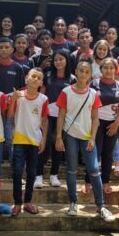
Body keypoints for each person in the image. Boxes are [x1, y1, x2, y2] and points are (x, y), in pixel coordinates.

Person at [55, 60, 115, 222]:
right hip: (71, 136)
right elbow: (61, 115)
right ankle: (73, 203)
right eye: (81, 71)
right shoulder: (66, 92)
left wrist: (93, 138)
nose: (83, 74)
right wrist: (59, 137)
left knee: (94, 170)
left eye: (87, 72)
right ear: (76, 71)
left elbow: (95, 118)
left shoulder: (93, 94)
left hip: (87, 137)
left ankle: (100, 206)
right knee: (72, 170)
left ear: (90, 75)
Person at [8, 68, 49, 215]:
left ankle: (28, 202)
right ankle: (17, 202)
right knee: (17, 172)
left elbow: (44, 120)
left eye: (39, 78)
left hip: (34, 140)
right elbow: (10, 116)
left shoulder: (43, 99)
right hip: (19, 139)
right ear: (26, 78)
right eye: (33, 76)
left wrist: (43, 139)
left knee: (32, 173)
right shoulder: (19, 96)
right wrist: (13, 100)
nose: (35, 79)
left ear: (41, 83)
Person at [83, 58, 119, 194]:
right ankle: (88, 181)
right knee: (94, 152)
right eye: (106, 68)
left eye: (111, 68)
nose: (108, 70)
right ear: (101, 69)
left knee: (108, 154)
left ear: (115, 69)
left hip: (113, 124)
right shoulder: (94, 83)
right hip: (97, 123)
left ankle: (105, 182)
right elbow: (88, 103)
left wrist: (116, 124)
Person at [34, 49, 76, 188]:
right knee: (43, 144)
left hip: (63, 117)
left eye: (61, 59)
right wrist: (40, 115)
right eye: (56, 59)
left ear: (67, 60)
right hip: (47, 115)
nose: (58, 62)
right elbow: (42, 95)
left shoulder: (72, 79)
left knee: (58, 145)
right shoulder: (47, 75)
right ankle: (38, 175)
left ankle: (54, 175)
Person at [0, 38, 26, 162]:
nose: (4, 50)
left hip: (12, 110)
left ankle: (14, 168)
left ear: (12, 49)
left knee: (10, 138)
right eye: (1, 47)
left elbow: (22, 90)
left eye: (7, 47)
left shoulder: (18, 68)